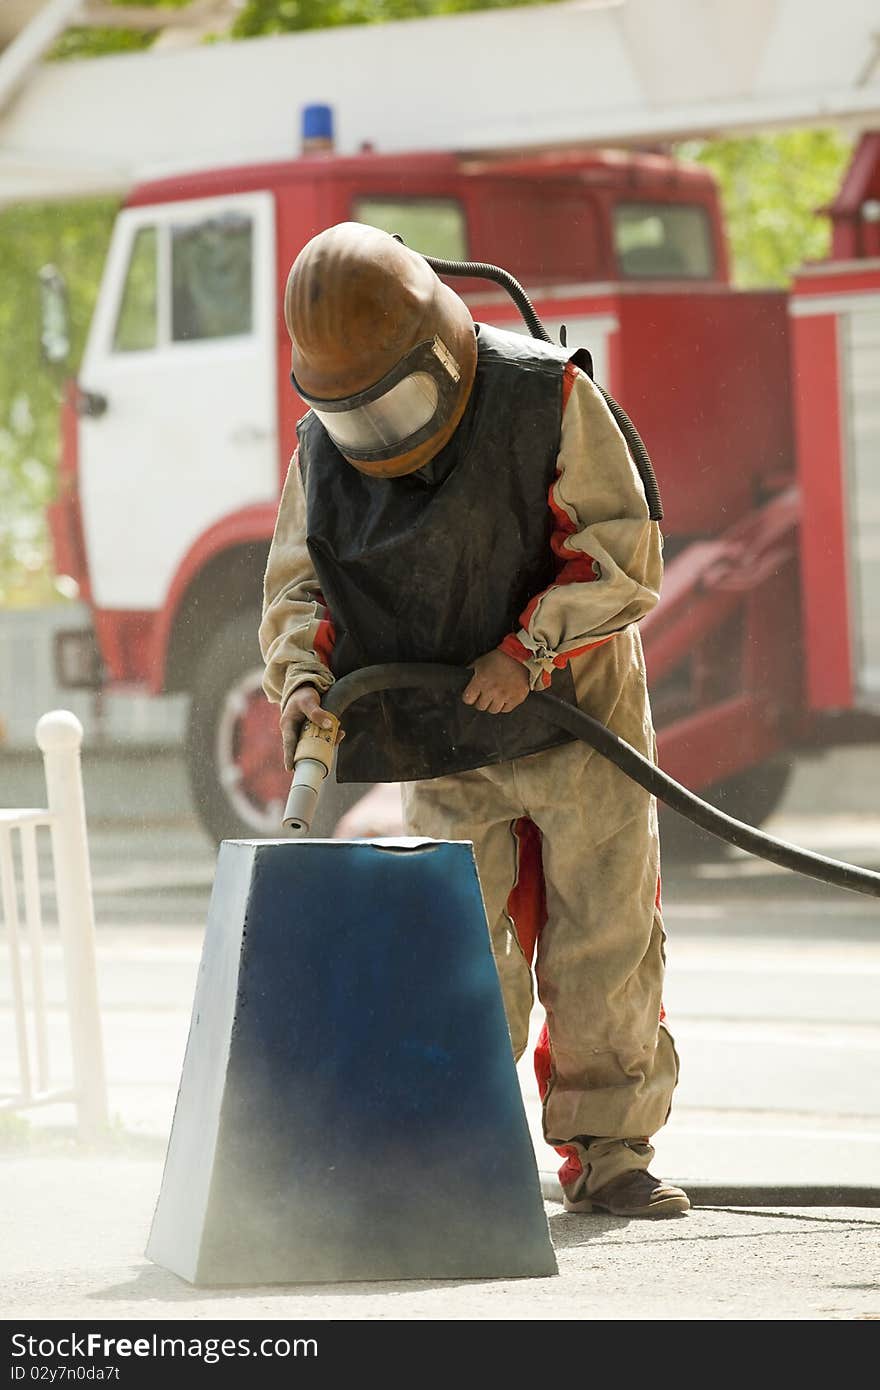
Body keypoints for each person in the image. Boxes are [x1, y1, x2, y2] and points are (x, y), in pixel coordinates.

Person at [259, 222, 688, 1218]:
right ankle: (456, 1150)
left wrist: (526, 649)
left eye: (396, 403)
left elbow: (618, 552)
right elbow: (299, 593)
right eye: (354, 415)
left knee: (603, 932)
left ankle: (610, 1148)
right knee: (457, 943)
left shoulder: (547, 396)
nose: (379, 436)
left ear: (442, 349)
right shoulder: (325, 452)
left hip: (577, 712)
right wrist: (304, 686)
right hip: (441, 725)